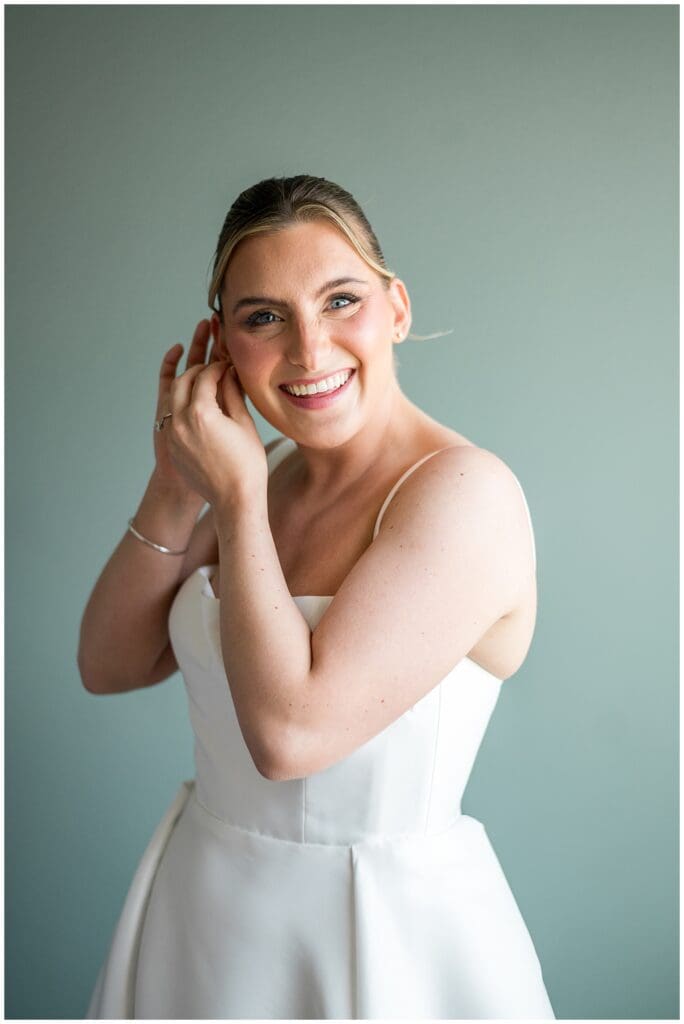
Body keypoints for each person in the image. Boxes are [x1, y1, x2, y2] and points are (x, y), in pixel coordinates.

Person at [79, 173, 555, 1019]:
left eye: (341, 300)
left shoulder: (465, 496)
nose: (308, 350)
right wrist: (173, 484)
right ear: (222, 343)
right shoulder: (258, 475)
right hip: (202, 913)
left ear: (397, 308)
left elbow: (290, 738)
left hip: (379, 937)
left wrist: (232, 503)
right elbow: (109, 664)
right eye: (264, 316)